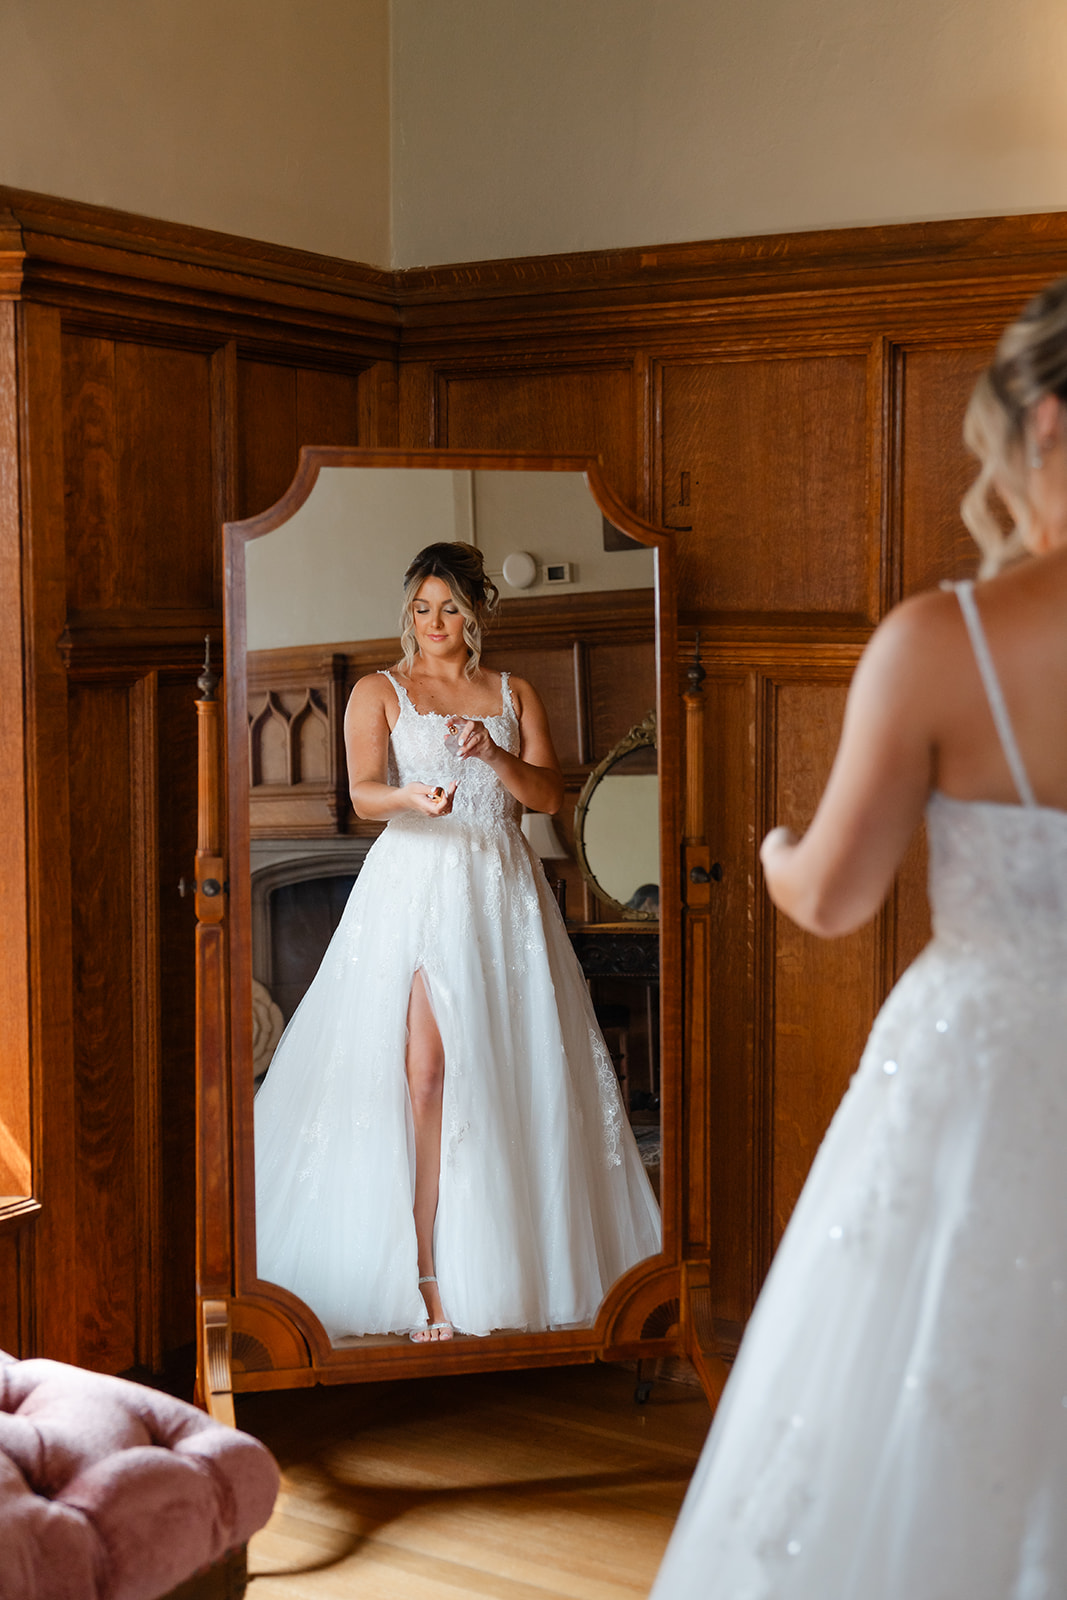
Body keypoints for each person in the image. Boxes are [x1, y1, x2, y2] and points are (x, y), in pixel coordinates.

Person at [651, 279, 1067, 1598]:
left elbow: (831, 898)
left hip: (992, 1074)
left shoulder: (941, 643)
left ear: (1042, 427)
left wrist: (771, 855)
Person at [254, 541, 660, 1343]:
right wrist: (411, 792)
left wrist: (493, 752)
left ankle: (504, 1259)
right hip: (413, 883)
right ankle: (421, 1266)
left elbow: (547, 796)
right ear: (408, 613)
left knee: (506, 1064)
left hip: (500, 892)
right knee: (426, 1070)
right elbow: (364, 793)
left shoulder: (513, 692)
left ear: (475, 615)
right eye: (421, 607)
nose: (433, 622)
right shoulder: (380, 689)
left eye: (448, 608)